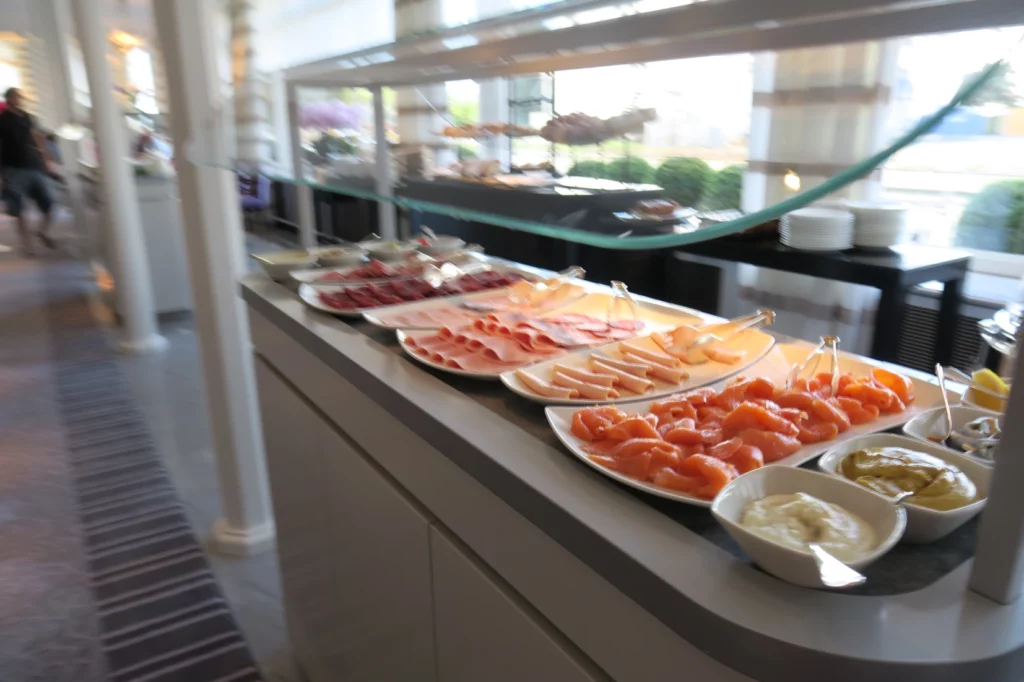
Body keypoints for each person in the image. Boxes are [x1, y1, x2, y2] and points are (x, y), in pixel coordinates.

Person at [0, 88, 58, 255]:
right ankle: (27, 245)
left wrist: (46, 158)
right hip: (11, 169)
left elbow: (37, 137)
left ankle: (43, 231)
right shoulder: (2, 120)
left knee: (49, 205)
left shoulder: (27, 117)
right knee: (18, 211)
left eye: (20, 97)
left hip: (33, 166)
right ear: (9, 98)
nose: (20, 99)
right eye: (17, 97)